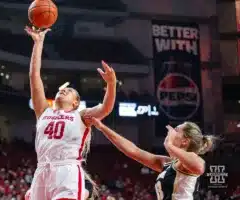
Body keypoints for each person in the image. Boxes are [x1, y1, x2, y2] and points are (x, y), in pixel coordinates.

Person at [24, 26, 117, 200]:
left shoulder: (81, 116)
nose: (64, 90)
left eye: (70, 91)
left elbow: (105, 108)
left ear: (76, 102)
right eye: (62, 90)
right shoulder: (43, 111)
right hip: (42, 170)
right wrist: (38, 43)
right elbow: (34, 76)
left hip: (66, 170)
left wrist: (111, 85)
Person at [84, 116, 216, 200]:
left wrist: (169, 144)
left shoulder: (194, 159)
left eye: (176, 129)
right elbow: (133, 151)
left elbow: (199, 167)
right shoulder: (168, 163)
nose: (171, 131)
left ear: (185, 141)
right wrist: (102, 127)